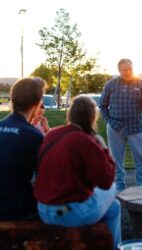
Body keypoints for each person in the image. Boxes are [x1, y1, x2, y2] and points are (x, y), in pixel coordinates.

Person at [34, 95, 121, 249]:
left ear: (70, 115)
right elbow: (106, 181)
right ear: (92, 118)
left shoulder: (53, 134)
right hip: (67, 215)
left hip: (43, 209)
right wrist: (105, 150)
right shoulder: (84, 140)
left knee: (113, 207)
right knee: (113, 189)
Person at [99, 58, 142, 192]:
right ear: (119, 70)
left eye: (130, 69)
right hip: (115, 128)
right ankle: (119, 189)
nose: (128, 72)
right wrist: (109, 121)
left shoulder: (141, 84)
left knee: (141, 160)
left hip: (137, 128)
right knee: (116, 161)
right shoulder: (110, 85)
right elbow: (102, 105)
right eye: (125, 70)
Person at [0, 77, 46, 220]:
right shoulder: (34, 136)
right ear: (37, 104)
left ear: (12, 100)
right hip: (16, 210)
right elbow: (43, 180)